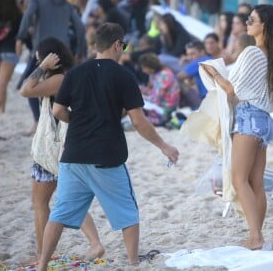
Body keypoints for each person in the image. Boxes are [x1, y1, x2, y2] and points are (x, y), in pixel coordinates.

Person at [37, 22, 179, 270]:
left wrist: (79, 120)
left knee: (59, 213)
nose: (123, 50)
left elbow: (58, 110)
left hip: (73, 156)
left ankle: (42, 266)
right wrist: (164, 146)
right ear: (116, 44)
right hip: (107, 156)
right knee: (127, 212)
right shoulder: (124, 75)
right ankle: (133, 262)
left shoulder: (75, 73)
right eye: (123, 45)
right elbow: (139, 121)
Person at [20, 36, 104, 261]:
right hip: (68, 146)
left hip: (53, 148)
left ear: (50, 58)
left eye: (39, 58)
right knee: (68, 199)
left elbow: (26, 90)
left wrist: (41, 68)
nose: (37, 62)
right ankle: (94, 245)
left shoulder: (59, 78)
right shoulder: (71, 75)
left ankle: (42, 254)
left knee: (41, 202)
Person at [201, 4, 273, 250]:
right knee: (255, 181)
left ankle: (255, 236)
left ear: (264, 23)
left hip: (248, 116)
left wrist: (213, 73)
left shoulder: (252, 53)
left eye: (251, 19)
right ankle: (257, 234)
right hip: (264, 119)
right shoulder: (269, 54)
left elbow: (233, 90)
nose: (246, 22)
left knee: (239, 179)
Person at [16, 0, 86, 136]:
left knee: (30, 82)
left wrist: (20, 37)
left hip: (44, 50)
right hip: (64, 52)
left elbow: (27, 17)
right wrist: (81, 51)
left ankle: (37, 121)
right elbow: (80, 27)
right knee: (65, 87)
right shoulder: (66, 3)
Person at [138, 52, 180, 126]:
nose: (143, 71)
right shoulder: (162, 73)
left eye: (144, 68)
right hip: (166, 107)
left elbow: (155, 99)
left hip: (165, 111)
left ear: (150, 66)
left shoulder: (163, 76)